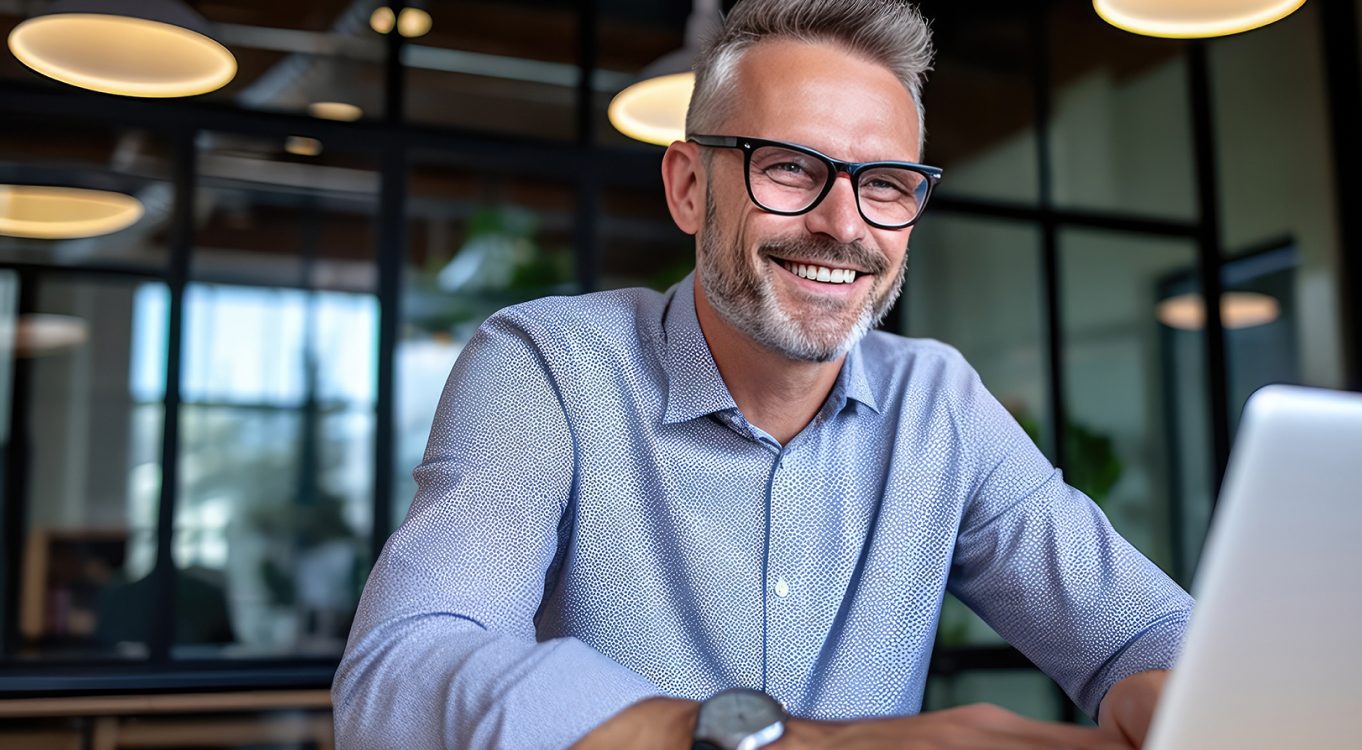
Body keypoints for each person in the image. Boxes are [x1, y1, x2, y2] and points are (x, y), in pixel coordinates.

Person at [332, 1, 1193, 748]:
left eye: (886, 184)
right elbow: (398, 679)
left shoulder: (940, 403)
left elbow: (1143, 633)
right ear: (688, 189)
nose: (841, 224)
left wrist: (1177, 692)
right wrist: (760, 743)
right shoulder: (548, 367)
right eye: (789, 167)